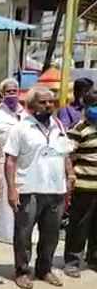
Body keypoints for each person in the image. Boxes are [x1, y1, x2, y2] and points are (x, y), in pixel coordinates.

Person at [4, 87, 74, 289]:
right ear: (31, 105)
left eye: (50, 102)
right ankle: (22, 271)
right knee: (24, 233)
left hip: (56, 190)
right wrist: (11, 189)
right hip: (29, 189)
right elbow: (10, 160)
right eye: (43, 102)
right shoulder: (21, 128)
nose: (48, 105)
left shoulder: (58, 125)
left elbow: (65, 151)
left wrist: (70, 174)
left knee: (51, 233)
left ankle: (45, 269)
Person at [0, 78, 30, 244]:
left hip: (25, 162)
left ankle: (26, 232)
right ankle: (6, 234)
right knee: (5, 199)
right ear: (2, 94)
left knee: (26, 198)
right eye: (8, 91)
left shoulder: (26, 115)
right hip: (2, 160)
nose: (12, 94)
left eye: (14, 91)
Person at [64, 90, 97, 278]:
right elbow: (68, 155)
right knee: (79, 225)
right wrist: (70, 177)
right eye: (93, 105)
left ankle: (94, 258)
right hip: (84, 186)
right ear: (85, 107)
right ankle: (73, 261)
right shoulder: (78, 128)